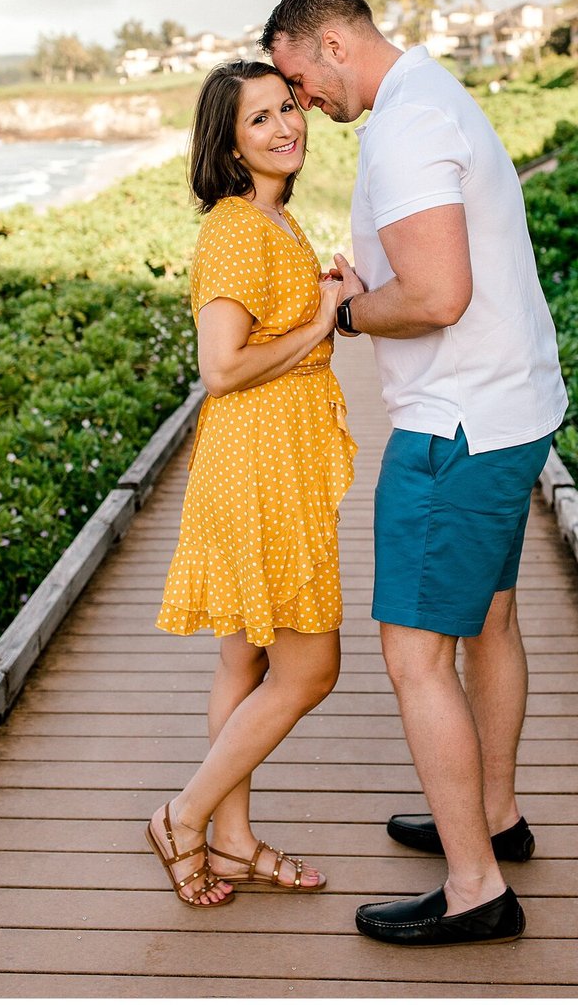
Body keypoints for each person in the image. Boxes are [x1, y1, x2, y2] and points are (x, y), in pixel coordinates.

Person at [262, 0, 567, 947]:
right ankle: (496, 817)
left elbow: (436, 294)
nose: (298, 98)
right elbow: (441, 274)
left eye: (297, 75)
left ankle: (475, 885)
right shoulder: (437, 94)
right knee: (490, 620)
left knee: (414, 654)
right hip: (509, 404)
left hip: (455, 427)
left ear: (334, 41)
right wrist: (378, 288)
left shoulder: (400, 129)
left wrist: (347, 313)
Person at [149, 60, 356, 908]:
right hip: (255, 465)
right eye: (259, 120)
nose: (285, 127)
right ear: (228, 146)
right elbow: (222, 367)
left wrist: (328, 295)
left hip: (275, 460)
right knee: (310, 669)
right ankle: (185, 815)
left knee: (247, 654)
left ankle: (231, 842)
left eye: (287, 108)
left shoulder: (279, 220)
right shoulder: (236, 227)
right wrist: (316, 318)